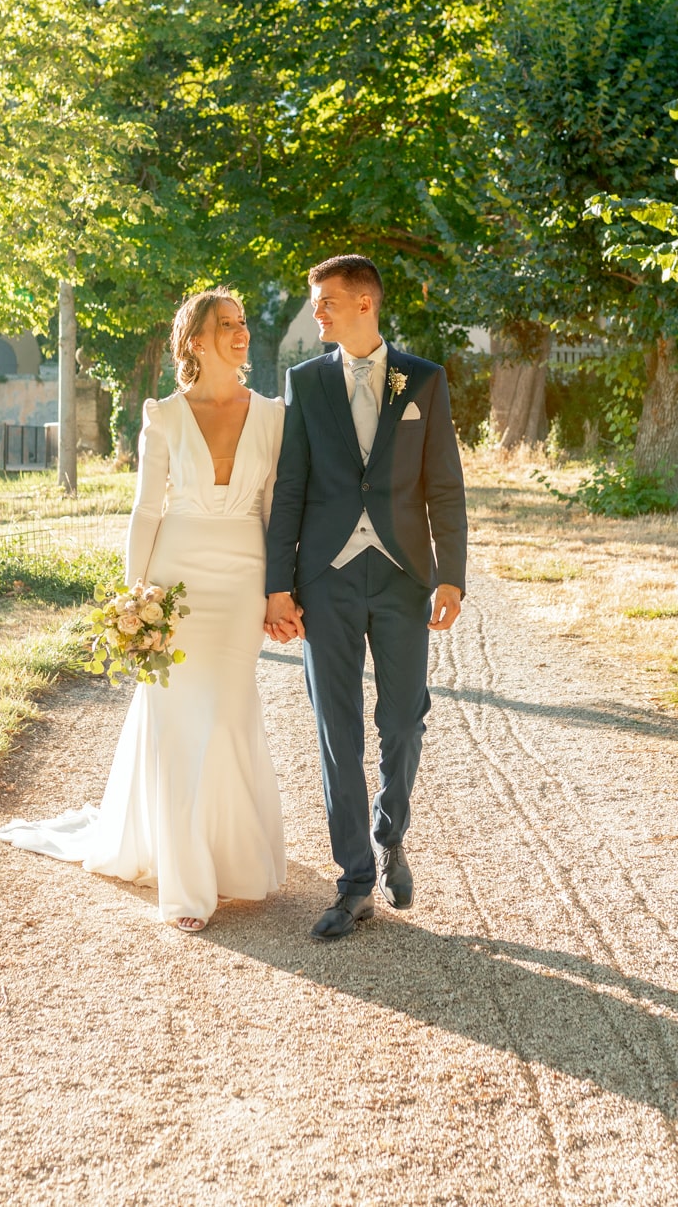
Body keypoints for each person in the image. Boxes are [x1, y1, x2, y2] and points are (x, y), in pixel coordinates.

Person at [0, 289, 287, 933]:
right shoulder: (163, 415)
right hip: (175, 582)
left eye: (243, 325)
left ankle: (232, 860)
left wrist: (279, 589)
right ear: (196, 341)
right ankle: (185, 888)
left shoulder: (273, 415)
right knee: (179, 721)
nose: (241, 335)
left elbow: (273, 509)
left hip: (243, 579)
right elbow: (146, 511)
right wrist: (136, 597)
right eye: (227, 326)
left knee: (230, 712)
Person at [264, 254, 467, 940]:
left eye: (324, 301)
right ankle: (353, 880)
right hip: (327, 577)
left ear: (364, 305)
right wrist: (277, 584)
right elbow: (290, 486)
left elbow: (444, 483)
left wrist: (451, 572)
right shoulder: (304, 383)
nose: (315, 312)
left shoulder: (425, 380)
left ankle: (390, 832)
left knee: (404, 718)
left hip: (404, 573)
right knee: (336, 730)